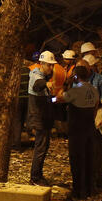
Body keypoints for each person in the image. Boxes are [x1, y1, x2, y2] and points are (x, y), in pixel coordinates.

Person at [57, 65, 100, 200]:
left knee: (77, 161)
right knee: (89, 160)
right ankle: (90, 189)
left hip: (77, 131)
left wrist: (64, 86)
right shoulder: (94, 90)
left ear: (75, 76)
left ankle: (78, 191)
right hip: (89, 129)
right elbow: (95, 107)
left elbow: (57, 98)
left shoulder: (74, 92)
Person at [83, 54, 102, 190]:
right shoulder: (81, 80)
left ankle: (99, 179)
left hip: (97, 119)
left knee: (97, 151)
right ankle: (92, 178)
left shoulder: (101, 80)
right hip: (84, 120)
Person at [28, 51, 57, 187]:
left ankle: (38, 175)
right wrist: (46, 84)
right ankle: (35, 178)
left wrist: (57, 98)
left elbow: (48, 98)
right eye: (49, 65)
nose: (51, 68)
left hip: (45, 119)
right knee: (40, 148)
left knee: (43, 147)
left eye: (52, 66)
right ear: (42, 64)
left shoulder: (43, 76)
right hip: (40, 119)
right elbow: (37, 85)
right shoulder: (37, 75)